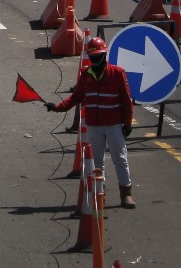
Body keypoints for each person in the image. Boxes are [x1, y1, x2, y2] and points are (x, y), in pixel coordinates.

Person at [47, 35, 136, 207]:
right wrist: (56, 107)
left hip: (114, 125)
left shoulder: (117, 73)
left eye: (98, 56)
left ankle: (126, 193)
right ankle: (98, 193)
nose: (96, 60)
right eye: (93, 57)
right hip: (94, 126)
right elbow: (75, 98)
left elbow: (126, 100)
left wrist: (127, 123)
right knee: (96, 161)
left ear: (104, 55)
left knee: (120, 158)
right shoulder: (85, 75)